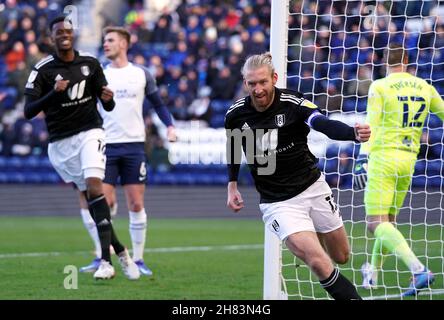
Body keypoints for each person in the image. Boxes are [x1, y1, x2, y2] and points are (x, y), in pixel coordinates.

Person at [225, 52, 370, 300]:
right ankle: (302, 238)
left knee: (341, 256)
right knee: (319, 262)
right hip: (278, 202)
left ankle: (308, 234)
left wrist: (352, 134)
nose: (258, 89)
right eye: (252, 84)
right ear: (245, 83)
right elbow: (234, 149)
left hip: (313, 187)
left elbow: (322, 123)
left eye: (263, 82)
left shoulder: (294, 103)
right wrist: (232, 185)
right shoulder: (236, 115)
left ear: (274, 78)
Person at [23, 16, 140, 280]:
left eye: (67, 31)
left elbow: (106, 103)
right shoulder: (42, 70)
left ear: (73, 35)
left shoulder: (90, 63)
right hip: (61, 144)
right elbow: (28, 112)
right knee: (91, 198)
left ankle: (105, 262)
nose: (64, 35)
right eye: (58, 32)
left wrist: (108, 100)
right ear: (51, 37)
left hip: (90, 132)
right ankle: (121, 251)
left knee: (95, 186)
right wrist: (53, 93)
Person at [78, 26, 177, 276]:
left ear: (124, 43)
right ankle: (103, 257)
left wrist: (170, 126)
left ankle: (139, 259)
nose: (106, 44)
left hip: (134, 147)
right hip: (106, 146)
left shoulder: (141, 74)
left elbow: (158, 103)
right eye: (104, 40)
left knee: (135, 203)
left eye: (110, 40)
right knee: (104, 202)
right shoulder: (98, 74)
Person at [354, 43, 444, 296]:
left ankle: (418, 270)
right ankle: (371, 271)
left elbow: (371, 125)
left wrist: (362, 159)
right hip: (409, 160)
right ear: (407, 61)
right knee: (388, 222)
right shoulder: (425, 87)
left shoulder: (380, 86)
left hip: (384, 158)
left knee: (374, 223)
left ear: (385, 62)